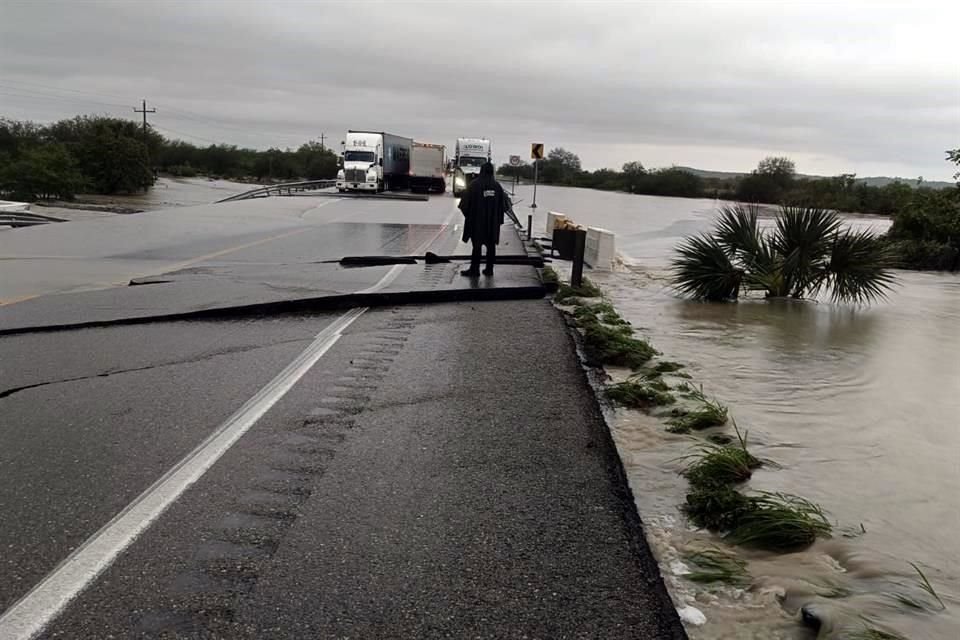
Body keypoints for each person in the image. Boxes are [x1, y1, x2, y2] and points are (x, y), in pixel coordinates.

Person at [457, 161, 512, 277]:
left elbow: (464, 205)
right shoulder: (498, 187)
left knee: (476, 246)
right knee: (491, 246)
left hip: (477, 223)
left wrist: (470, 216)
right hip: (492, 224)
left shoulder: (474, 185)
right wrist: (496, 218)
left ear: (481, 171)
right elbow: (506, 206)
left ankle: (474, 270)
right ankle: (489, 269)